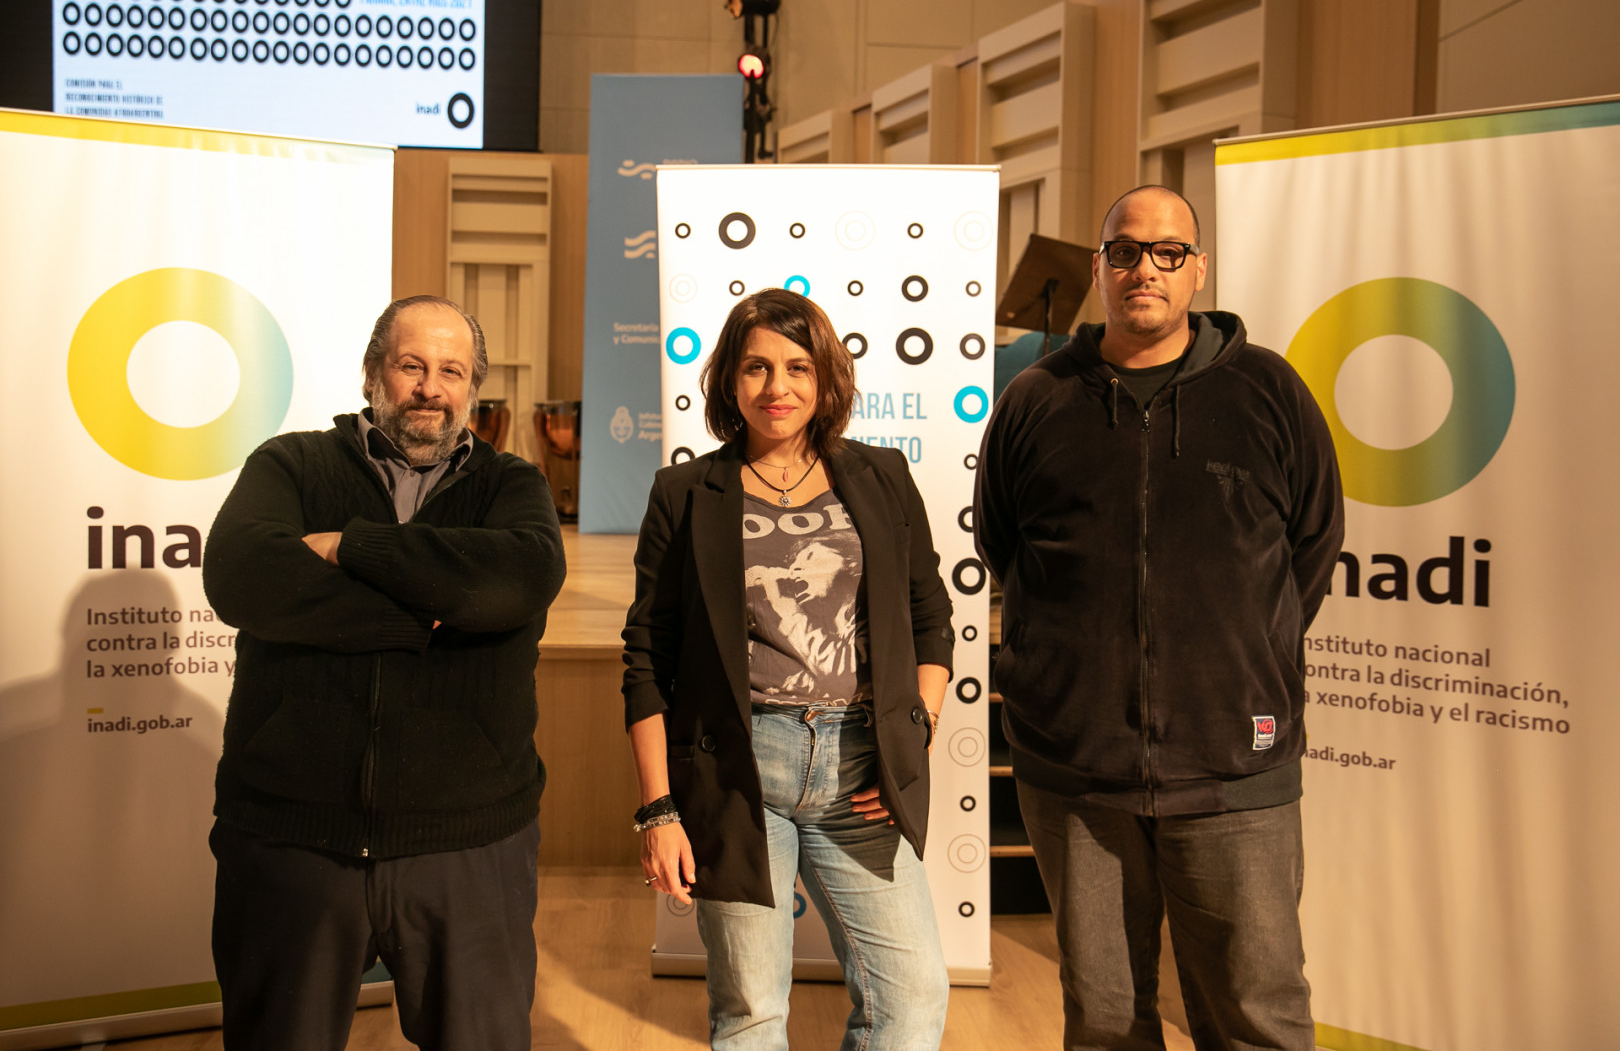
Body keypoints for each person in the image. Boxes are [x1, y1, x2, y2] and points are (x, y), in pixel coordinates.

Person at [974, 186, 1344, 1051]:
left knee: (1256, 1016)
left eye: (1168, 252)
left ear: (1198, 269)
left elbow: (1313, 545)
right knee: (1104, 1021)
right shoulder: (1035, 400)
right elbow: (1004, 546)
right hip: (1076, 773)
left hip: (1233, 770)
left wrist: (1243, 653)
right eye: (1126, 251)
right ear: (1100, 267)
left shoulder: (1267, 392)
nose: (1147, 268)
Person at [202, 295, 566, 1050]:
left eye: (452, 371)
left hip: (469, 846)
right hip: (293, 840)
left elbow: (517, 581)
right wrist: (429, 613)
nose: (431, 387)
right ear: (374, 374)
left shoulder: (511, 486)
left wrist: (350, 549)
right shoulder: (291, 464)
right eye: (411, 366)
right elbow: (241, 576)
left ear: (472, 389)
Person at [621, 288, 955, 1050]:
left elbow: (930, 616)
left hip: (861, 771)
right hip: (736, 771)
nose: (778, 388)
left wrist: (915, 736)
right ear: (729, 383)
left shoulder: (880, 476)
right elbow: (647, 659)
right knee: (751, 1013)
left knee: (911, 997)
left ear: (826, 378)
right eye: (756, 368)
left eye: (798, 367)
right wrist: (659, 811)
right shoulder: (685, 493)